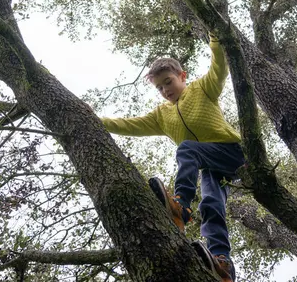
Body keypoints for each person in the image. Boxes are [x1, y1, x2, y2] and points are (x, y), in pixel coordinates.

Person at [100, 33, 244, 282]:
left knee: (187, 149)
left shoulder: (202, 89)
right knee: (211, 204)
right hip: (212, 167)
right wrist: (97, 120)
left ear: (182, 76)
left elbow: (219, 66)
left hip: (232, 153)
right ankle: (223, 264)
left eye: (168, 82)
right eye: (159, 87)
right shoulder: (161, 116)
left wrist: (215, 37)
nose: (165, 90)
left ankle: (181, 206)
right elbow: (129, 125)